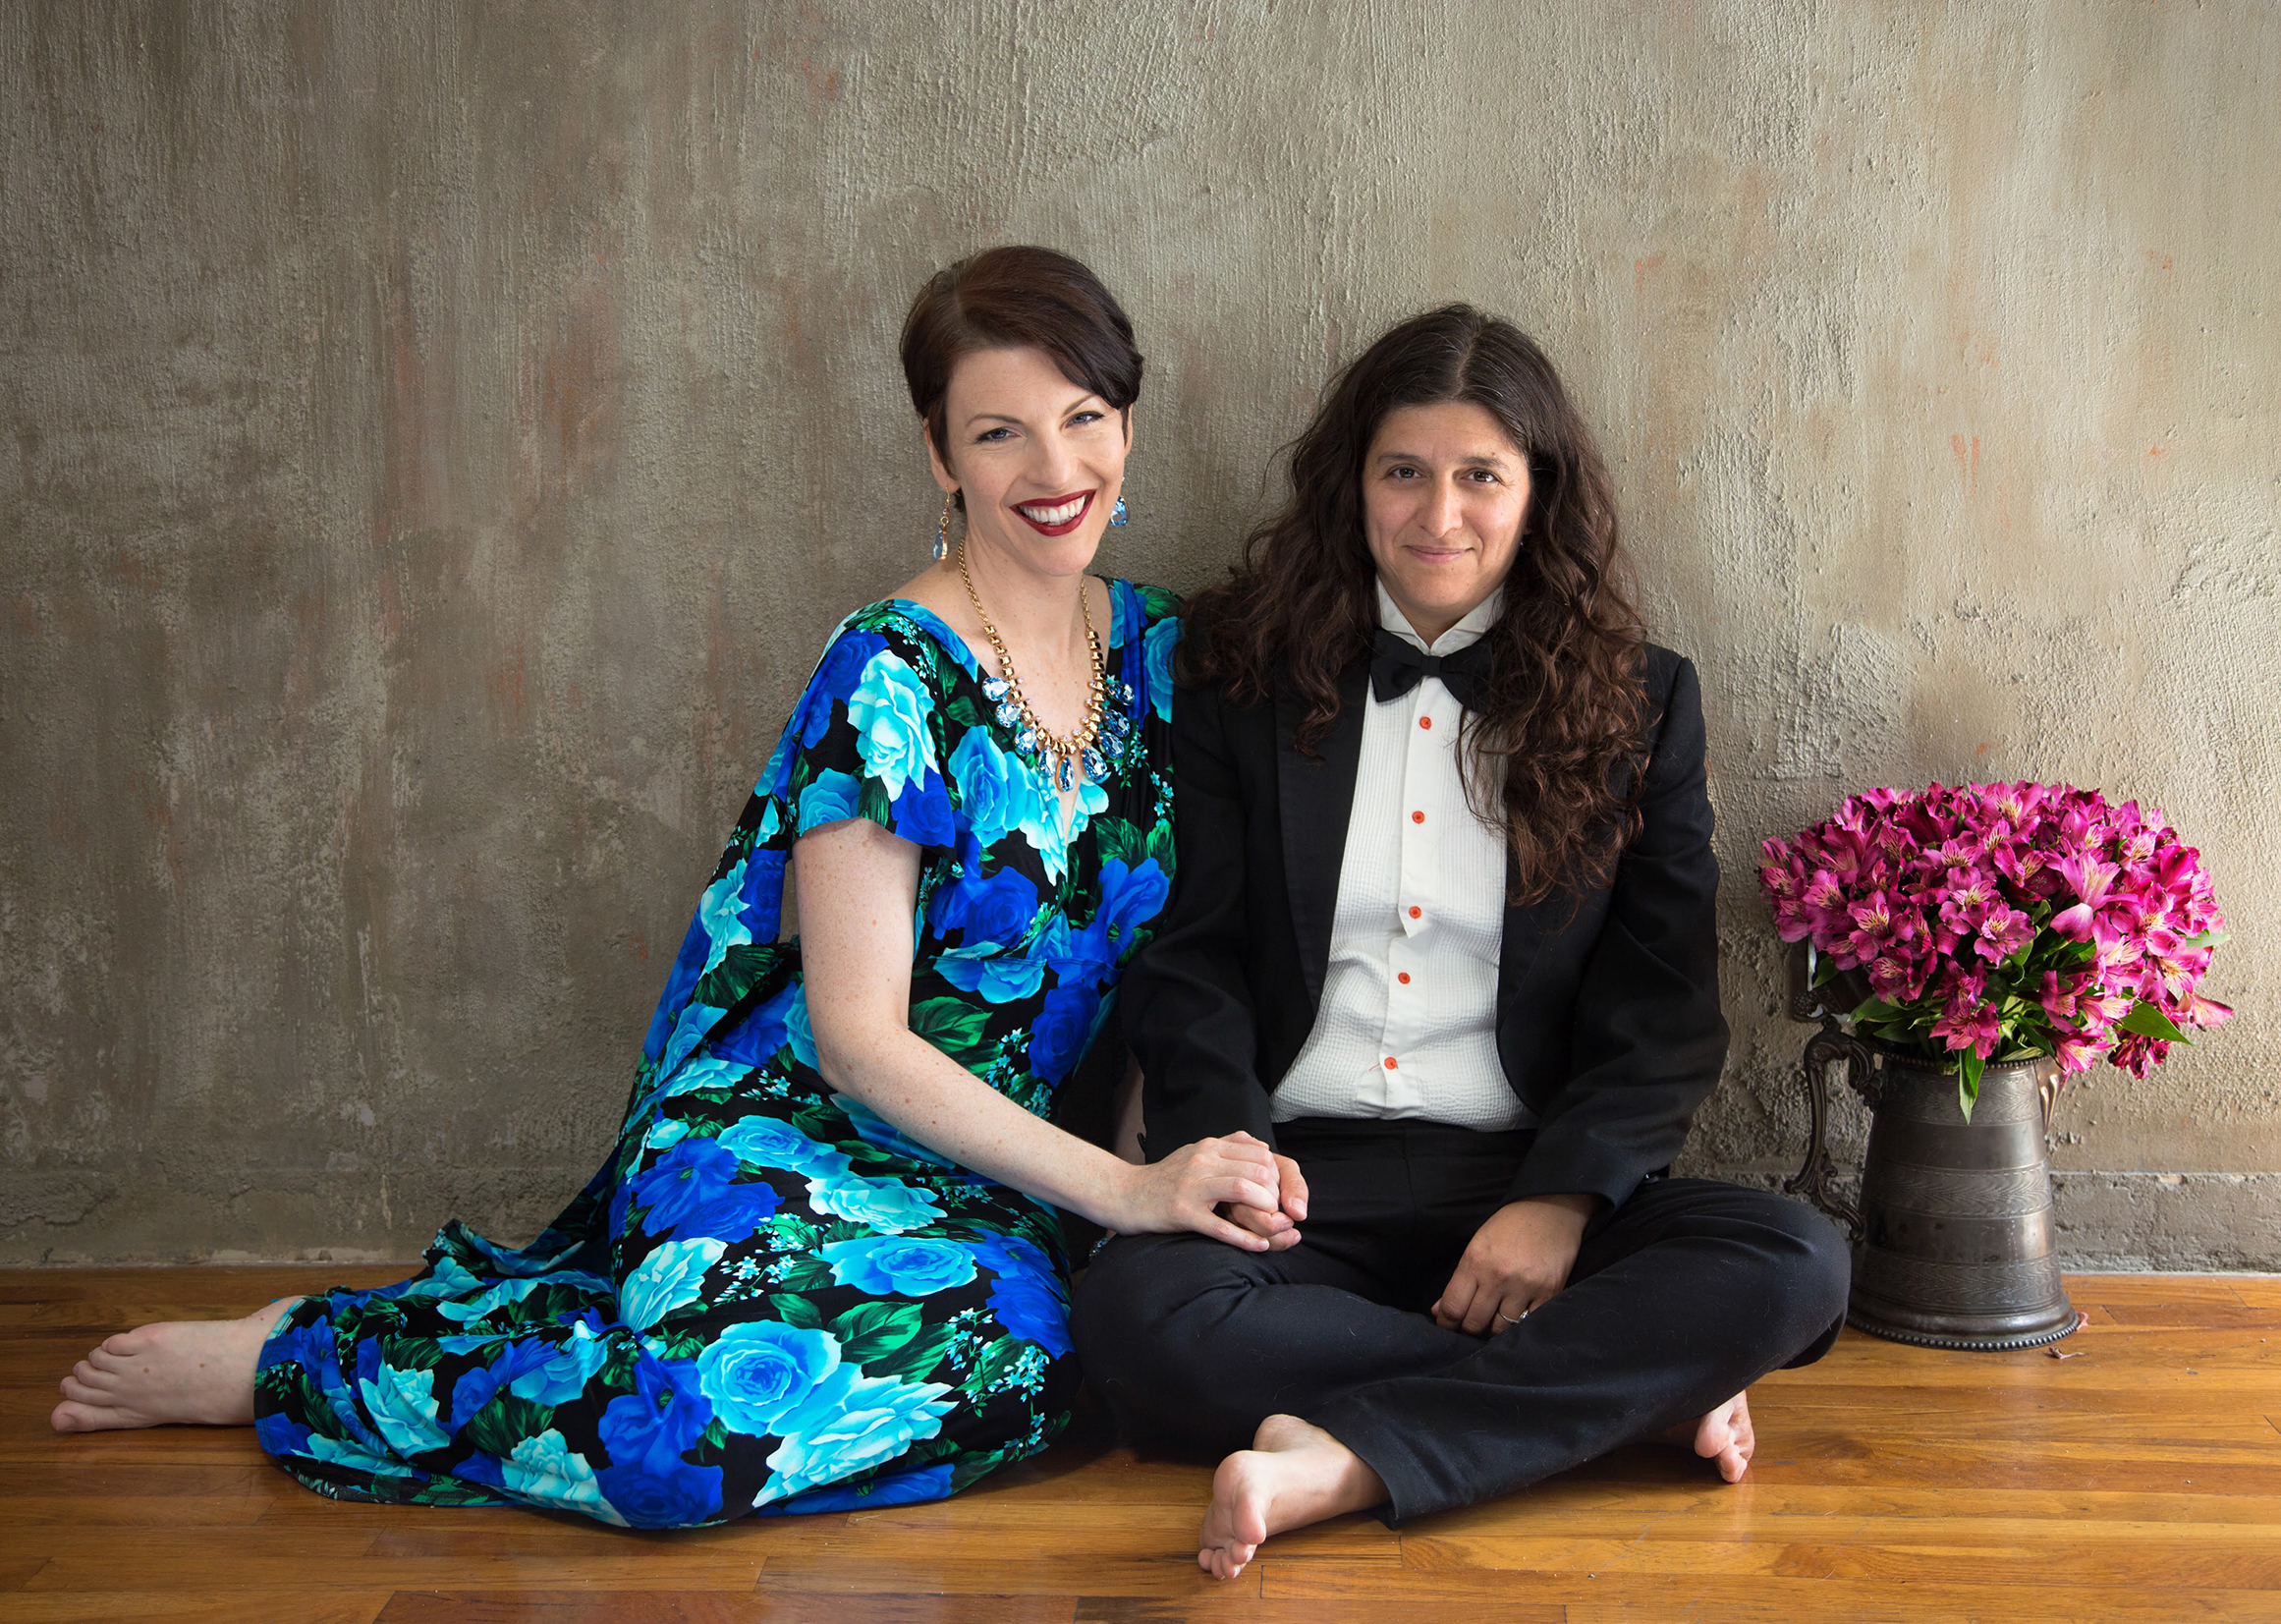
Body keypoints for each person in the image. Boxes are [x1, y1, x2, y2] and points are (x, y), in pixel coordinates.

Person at [49, 245, 1291, 1528]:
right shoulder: (888, 673)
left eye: (1083, 418)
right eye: (999, 432)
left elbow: (1181, 961)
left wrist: (1162, 1170)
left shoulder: (1167, 654)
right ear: (939, 456)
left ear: (1128, 427)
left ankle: (577, 1319)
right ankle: (314, 1358)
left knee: (1033, 1378)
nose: (1052, 469)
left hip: (1009, 1169)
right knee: (681, 1451)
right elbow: (856, 1044)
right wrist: (1126, 1190)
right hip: (798, 1124)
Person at [1071, 305, 1853, 1578]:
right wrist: (1230, 1151)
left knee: (1796, 1262)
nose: (1440, 514)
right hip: (1300, 1183)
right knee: (1132, 1312)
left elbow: (1663, 1006)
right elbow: (1192, 949)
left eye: (1480, 474)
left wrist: (1554, 1199)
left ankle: (1338, 1458)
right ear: (1353, 486)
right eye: (1403, 472)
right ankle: (1634, 1391)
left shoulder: (1641, 699)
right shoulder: (1239, 673)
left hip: (1526, 1179)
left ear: (1536, 494)